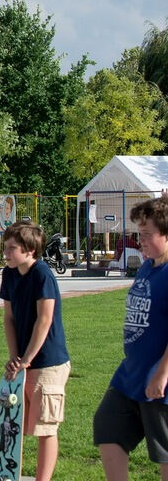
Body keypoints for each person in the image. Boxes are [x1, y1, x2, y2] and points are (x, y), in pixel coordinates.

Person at [94, 194, 168, 481]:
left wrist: (162, 374)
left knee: (164, 451)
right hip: (131, 376)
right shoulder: (148, 267)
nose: (141, 241)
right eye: (139, 234)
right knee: (108, 426)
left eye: (147, 234)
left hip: (159, 379)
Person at [0, 220, 70, 481]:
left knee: (45, 427)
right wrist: (15, 356)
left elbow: (45, 319)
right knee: (14, 423)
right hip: (24, 362)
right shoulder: (9, 274)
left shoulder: (42, 273)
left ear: (30, 250)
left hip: (48, 361)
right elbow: (8, 318)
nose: (6, 253)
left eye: (12, 248)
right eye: (5, 247)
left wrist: (27, 359)